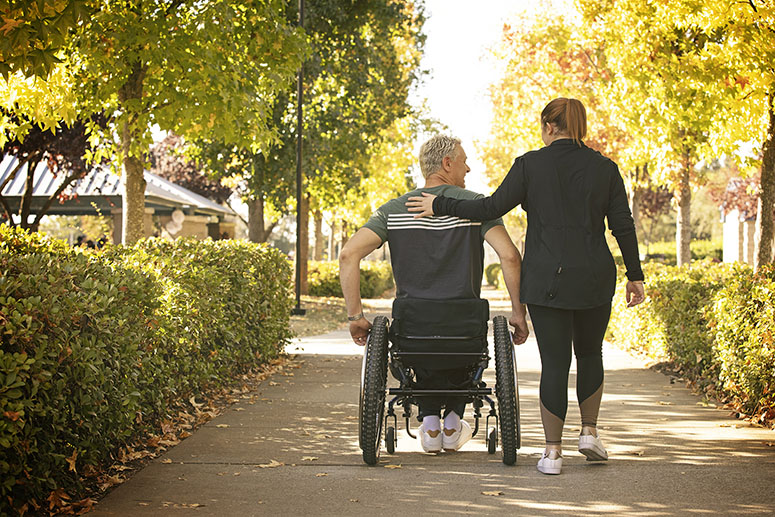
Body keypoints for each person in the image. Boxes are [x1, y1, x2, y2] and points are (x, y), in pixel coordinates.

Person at [406, 98, 646, 474]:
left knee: (555, 362)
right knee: (590, 354)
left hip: (547, 279)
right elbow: (623, 225)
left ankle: (552, 453)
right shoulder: (605, 169)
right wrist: (635, 275)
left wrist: (440, 205)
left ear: (549, 127)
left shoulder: (530, 165)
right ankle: (589, 432)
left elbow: (489, 207)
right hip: (596, 275)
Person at [339, 134, 529, 454]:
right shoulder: (476, 206)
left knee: (419, 348)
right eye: (464, 161)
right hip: (465, 327)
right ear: (447, 163)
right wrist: (518, 313)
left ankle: (429, 422)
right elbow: (510, 256)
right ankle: (453, 421)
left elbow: (348, 255)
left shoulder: (394, 210)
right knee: (460, 349)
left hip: (413, 328)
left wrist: (356, 317)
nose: (468, 168)